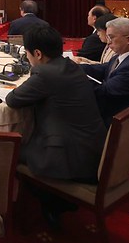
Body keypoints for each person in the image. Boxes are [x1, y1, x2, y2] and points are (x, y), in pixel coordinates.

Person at [7, 26, 106, 180]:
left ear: (38, 54)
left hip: (67, 158)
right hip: (92, 151)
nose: (27, 58)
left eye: (27, 54)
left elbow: (12, 99)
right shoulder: (72, 65)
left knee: (4, 150)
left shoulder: (45, 74)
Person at [80, 17, 129, 127]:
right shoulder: (124, 57)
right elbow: (101, 69)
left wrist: (76, 78)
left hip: (120, 124)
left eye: (111, 37)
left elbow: (104, 92)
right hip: (114, 112)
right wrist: (72, 67)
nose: (108, 41)